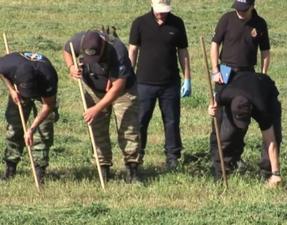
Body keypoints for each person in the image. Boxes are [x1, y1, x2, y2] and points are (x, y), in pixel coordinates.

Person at [63, 28, 141, 183]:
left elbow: (117, 87)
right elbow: (67, 49)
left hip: (123, 90)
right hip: (94, 89)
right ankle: (103, 169)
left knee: (128, 128)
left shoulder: (118, 50)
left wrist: (96, 108)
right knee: (97, 128)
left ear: (103, 46)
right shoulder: (79, 39)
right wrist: (71, 67)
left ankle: (132, 169)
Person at [128, 0, 191, 169]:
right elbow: (133, 50)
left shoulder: (177, 23)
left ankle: (172, 157)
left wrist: (187, 78)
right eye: (159, 10)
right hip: (143, 83)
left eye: (165, 11)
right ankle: (137, 155)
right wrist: (128, 75)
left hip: (170, 83)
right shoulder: (140, 23)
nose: (162, 14)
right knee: (141, 120)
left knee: (171, 121)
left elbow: (183, 52)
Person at [208, 71, 282, 187]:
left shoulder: (261, 107)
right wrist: (211, 109)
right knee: (226, 136)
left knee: (275, 134)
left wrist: (276, 173)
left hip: (265, 88)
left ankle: (269, 174)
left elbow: (271, 141)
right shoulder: (225, 95)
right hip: (240, 83)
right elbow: (214, 100)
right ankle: (221, 174)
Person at [0, 52, 58, 184]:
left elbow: (48, 105)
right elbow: (2, 73)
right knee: (14, 127)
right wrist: (11, 90)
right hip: (17, 90)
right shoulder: (7, 64)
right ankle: (10, 168)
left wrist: (31, 129)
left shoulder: (49, 77)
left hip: (43, 94)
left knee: (44, 129)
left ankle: (40, 171)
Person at [210, 0, 271, 81]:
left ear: (252, 6)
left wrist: (263, 74)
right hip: (225, 70)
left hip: (248, 71)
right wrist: (215, 70)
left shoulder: (260, 23)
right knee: (222, 94)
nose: (240, 12)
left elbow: (265, 50)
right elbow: (215, 43)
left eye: (244, 10)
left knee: (247, 94)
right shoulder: (226, 19)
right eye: (238, 9)